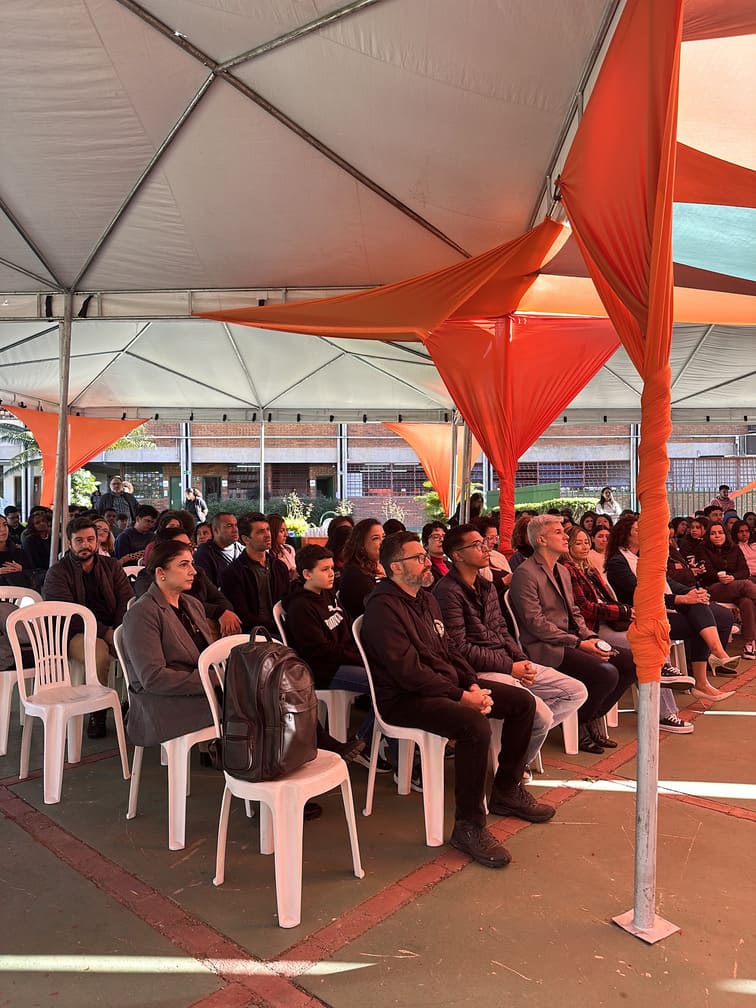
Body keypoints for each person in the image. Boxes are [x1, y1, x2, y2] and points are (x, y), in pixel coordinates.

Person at [361, 531, 555, 869]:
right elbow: (408, 673)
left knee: (521, 703)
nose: (427, 562)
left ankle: (506, 790)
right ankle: (469, 825)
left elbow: (450, 649)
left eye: (425, 556)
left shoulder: (426, 598)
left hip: (442, 686)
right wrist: (461, 697)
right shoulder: (383, 609)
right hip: (404, 698)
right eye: (418, 558)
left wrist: (471, 684)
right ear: (396, 567)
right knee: (474, 727)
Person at [434, 524, 587, 767]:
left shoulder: (486, 587)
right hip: (477, 671)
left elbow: (502, 630)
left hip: (506, 661)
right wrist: (509, 667)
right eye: (477, 545)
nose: (486, 548)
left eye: (485, 542)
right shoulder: (447, 592)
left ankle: (513, 751)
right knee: (540, 714)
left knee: (575, 691)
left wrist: (520, 659)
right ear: (458, 555)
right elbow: (460, 648)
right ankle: (513, 768)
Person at [508, 514, 637, 754]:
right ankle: (580, 722)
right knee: (607, 673)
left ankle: (587, 717)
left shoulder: (562, 570)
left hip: (570, 640)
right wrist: (578, 643)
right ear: (541, 540)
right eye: (558, 532)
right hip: (544, 647)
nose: (565, 536)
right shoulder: (525, 573)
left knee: (630, 661)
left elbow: (575, 612)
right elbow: (536, 624)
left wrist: (589, 637)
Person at [563, 527, 694, 734]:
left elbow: (607, 598)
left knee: (654, 636)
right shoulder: (567, 571)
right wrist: (623, 611)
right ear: (568, 546)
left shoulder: (589, 569)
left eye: (586, 542)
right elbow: (585, 608)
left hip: (608, 622)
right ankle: (663, 710)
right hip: (592, 628)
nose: (584, 546)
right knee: (648, 649)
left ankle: (665, 694)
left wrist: (625, 611)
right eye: (578, 543)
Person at [605, 514, 738, 701]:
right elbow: (642, 594)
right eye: (638, 529)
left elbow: (669, 583)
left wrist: (692, 592)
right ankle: (707, 673)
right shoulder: (618, 562)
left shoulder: (644, 557)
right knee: (698, 623)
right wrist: (681, 598)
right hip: (642, 615)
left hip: (663, 607)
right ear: (625, 534)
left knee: (698, 604)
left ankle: (715, 658)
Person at [283, 544, 378, 761]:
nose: (332, 574)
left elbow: (347, 628)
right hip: (324, 670)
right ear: (307, 574)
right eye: (324, 569)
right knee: (384, 683)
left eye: (332, 568)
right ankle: (366, 742)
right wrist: (361, 659)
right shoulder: (300, 607)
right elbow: (322, 651)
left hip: (342, 660)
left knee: (392, 678)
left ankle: (369, 741)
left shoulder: (328, 594)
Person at [43, 515, 134, 737]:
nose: (86, 545)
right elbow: (70, 615)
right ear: (69, 543)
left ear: (98, 541)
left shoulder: (111, 566)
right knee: (99, 654)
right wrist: (105, 633)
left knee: (141, 647)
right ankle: (98, 711)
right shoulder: (58, 572)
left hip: (112, 628)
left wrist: (117, 631)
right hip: (73, 633)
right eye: (79, 540)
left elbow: (126, 600)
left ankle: (133, 704)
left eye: (90, 539)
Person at [120, 540, 215, 748]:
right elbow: (153, 678)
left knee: (258, 694)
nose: (193, 571)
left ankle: (238, 757)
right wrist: (212, 680)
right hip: (160, 703)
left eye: (192, 564)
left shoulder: (192, 604)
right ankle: (240, 760)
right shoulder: (142, 613)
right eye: (183, 565)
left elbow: (206, 654)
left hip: (194, 690)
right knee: (248, 703)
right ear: (161, 572)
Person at [134, 528, 242, 638]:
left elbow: (219, 598)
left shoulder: (197, 572)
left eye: (189, 546)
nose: (188, 551)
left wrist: (225, 612)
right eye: (181, 546)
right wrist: (217, 612)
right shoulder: (147, 580)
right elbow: (175, 607)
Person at [219, 512, 289, 634]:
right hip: (255, 634)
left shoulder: (279, 567)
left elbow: (287, 601)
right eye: (260, 532)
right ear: (246, 539)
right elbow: (243, 615)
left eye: (268, 529)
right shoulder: (233, 573)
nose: (268, 535)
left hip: (283, 629)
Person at [699, 521, 756, 660]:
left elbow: (744, 571)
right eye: (713, 533)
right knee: (746, 585)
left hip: (734, 586)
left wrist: (733, 577)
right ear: (708, 536)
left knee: (747, 602)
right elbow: (706, 572)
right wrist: (721, 577)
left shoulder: (734, 548)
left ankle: (749, 644)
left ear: (726, 534)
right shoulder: (702, 548)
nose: (717, 536)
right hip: (713, 587)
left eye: (720, 532)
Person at [339, 519, 385, 620]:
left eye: (383, 537)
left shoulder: (382, 565)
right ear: (361, 545)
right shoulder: (355, 575)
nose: (383, 542)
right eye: (376, 538)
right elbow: (379, 606)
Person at [193, 511, 244, 588]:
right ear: (216, 530)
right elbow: (205, 588)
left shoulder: (242, 550)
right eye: (229, 526)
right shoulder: (204, 554)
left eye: (236, 525)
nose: (235, 530)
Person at [0, 514, 33, 587]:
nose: (3, 529)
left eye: (5, 525)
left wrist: (22, 570)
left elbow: (33, 574)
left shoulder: (19, 552)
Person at [267, 513, 297, 581]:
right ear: (272, 532)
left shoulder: (289, 549)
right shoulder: (266, 555)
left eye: (286, 530)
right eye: (281, 531)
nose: (286, 534)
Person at [422, 521, 449, 585]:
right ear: (425, 545)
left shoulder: (451, 565)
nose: (442, 540)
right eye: (436, 537)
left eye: (444, 537)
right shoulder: (424, 568)